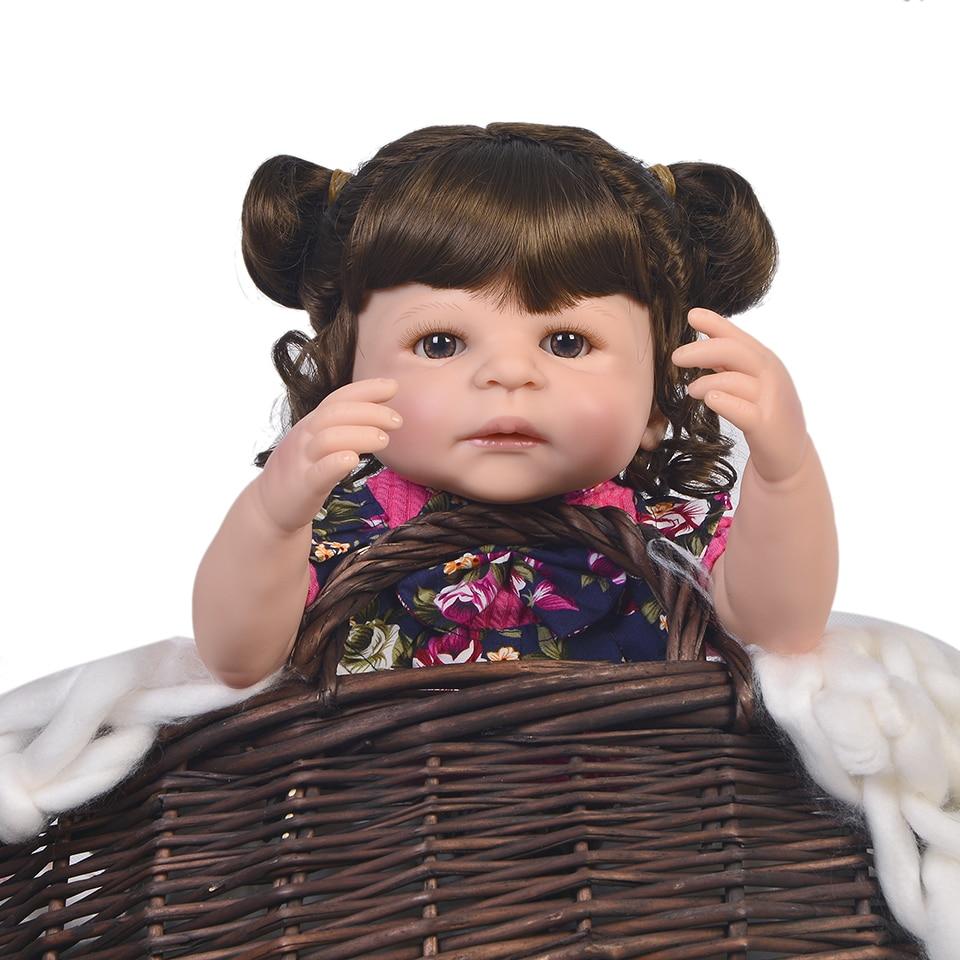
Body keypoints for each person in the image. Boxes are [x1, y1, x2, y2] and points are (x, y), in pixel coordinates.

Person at [192, 122, 839, 690]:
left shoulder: (670, 537)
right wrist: (272, 518)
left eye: (567, 342)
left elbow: (780, 636)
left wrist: (785, 472)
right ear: (345, 377)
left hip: (640, 792)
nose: (508, 373)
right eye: (440, 343)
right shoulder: (331, 530)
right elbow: (237, 664)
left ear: (654, 403)